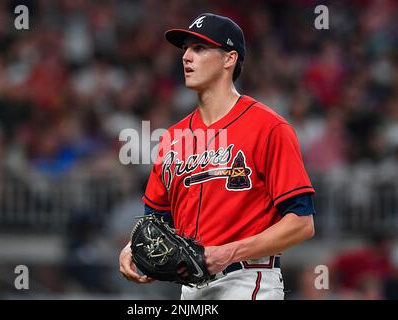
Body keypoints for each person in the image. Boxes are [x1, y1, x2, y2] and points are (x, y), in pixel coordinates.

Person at [119, 13, 316, 300]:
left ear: (229, 59)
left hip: (249, 279)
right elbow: (154, 222)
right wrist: (131, 248)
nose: (186, 56)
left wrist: (229, 252)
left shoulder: (268, 127)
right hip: (192, 289)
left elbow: (301, 222)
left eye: (199, 48)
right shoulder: (173, 139)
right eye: (185, 48)